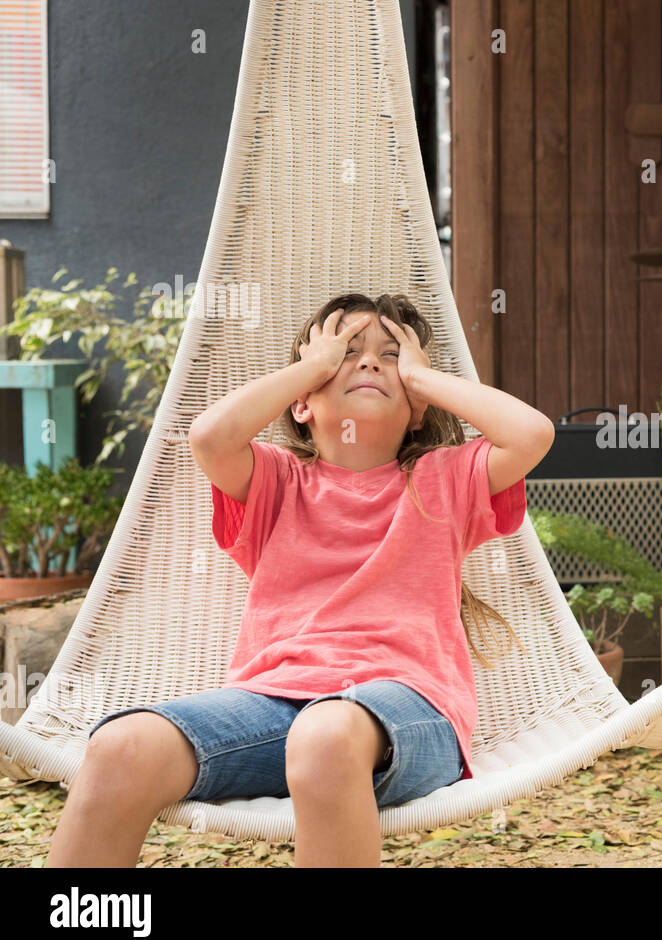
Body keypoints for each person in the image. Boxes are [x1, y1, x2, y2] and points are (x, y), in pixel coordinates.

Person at [47, 293, 554, 868]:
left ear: (416, 406)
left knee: (326, 731)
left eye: (389, 356)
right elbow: (210, 436)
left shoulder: (445, 480)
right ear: (301, 404)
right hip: (273, 705)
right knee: (119, 748)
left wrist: (423, 377)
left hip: (409, 711)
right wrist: (310, 368)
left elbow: (531, 433)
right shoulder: (276, 484)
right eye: (346, 353)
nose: (367, 363)